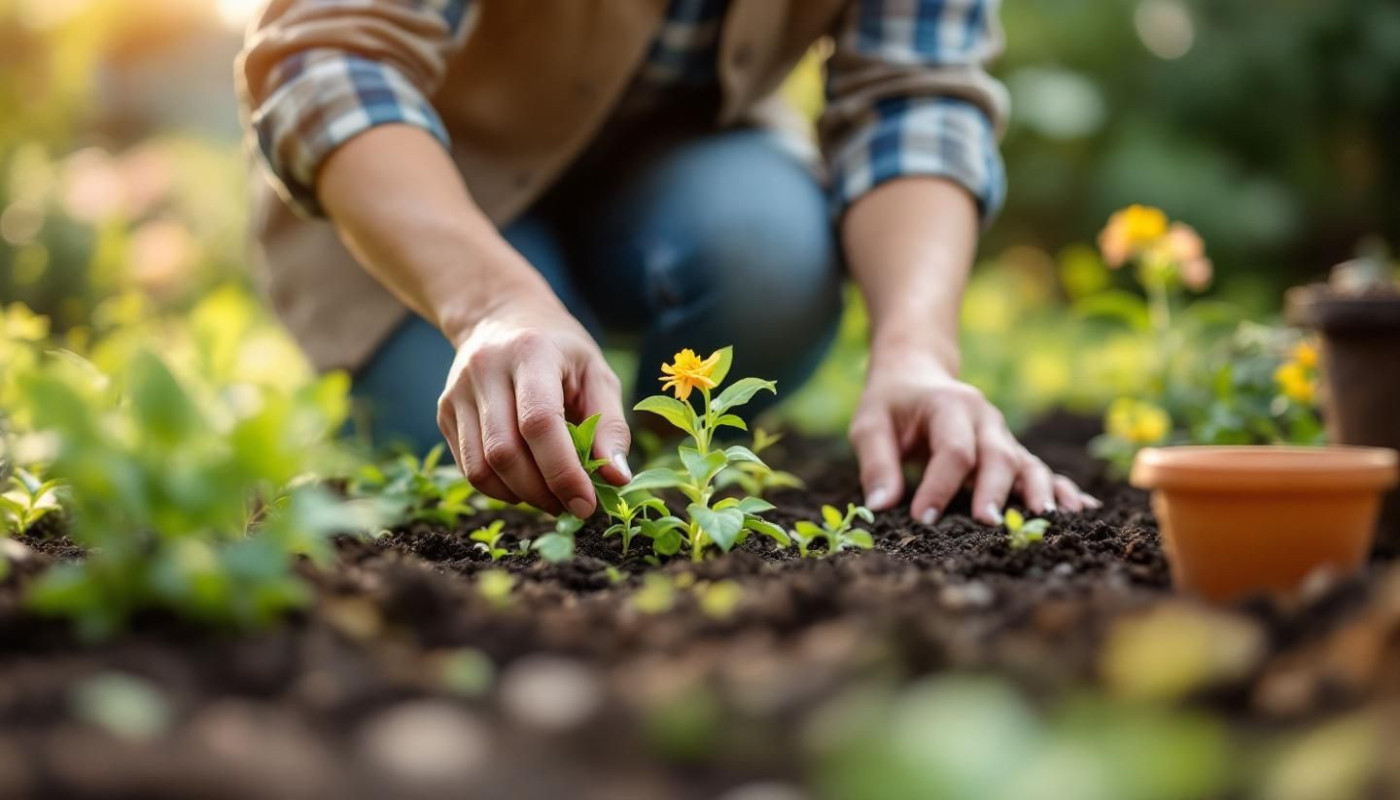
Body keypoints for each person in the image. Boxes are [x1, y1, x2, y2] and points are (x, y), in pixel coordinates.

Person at [237, 0, 1098, 528]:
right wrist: (492, 305)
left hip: (680, 175)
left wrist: (916, 351)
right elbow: (330, 58)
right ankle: (568, 418)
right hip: (427, 181)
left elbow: (917, 95)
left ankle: (642, 473)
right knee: (483, 457)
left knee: (767, 259)